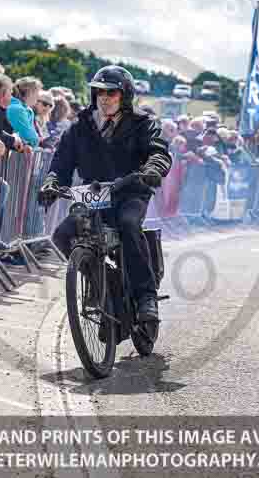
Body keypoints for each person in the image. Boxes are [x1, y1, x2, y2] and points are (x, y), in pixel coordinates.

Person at [38, 65, 172, 322]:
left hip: (130, 191)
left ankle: (146, 297)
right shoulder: (80, 126)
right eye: (99, 92)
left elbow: (158, 151)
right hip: (95, 194)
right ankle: (100, 282)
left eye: (112, 92)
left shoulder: (143, 122)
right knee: (62, 235)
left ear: (125, 96)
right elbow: (61, 163)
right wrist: (51, 183)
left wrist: (154, 168)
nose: (104, 97)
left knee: (128, 224)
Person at [7, 77, 42, 147]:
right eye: (37, 92)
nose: (38, 96)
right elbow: (30, 138)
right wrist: (37, 140)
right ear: (29, 92)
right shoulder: (18, 109)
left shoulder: (25, 109)